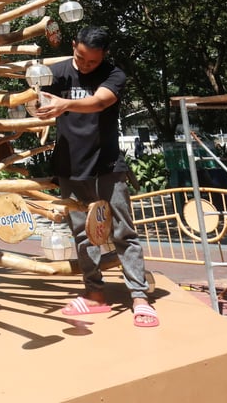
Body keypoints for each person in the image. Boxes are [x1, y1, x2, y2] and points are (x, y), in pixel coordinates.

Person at [34, 26, 158, 328]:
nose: (87, 65)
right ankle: (95, 294)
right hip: (70, 165)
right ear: (74, 46)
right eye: (81, 58)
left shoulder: (113, 74)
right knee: (82, 233)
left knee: (123, 232)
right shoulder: (58, 72)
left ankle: (139, 296)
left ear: (103, 56)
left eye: (93, 61)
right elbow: (35, 90)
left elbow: (100, 102)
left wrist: (64, 104)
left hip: (106, 164)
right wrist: (36, 102)